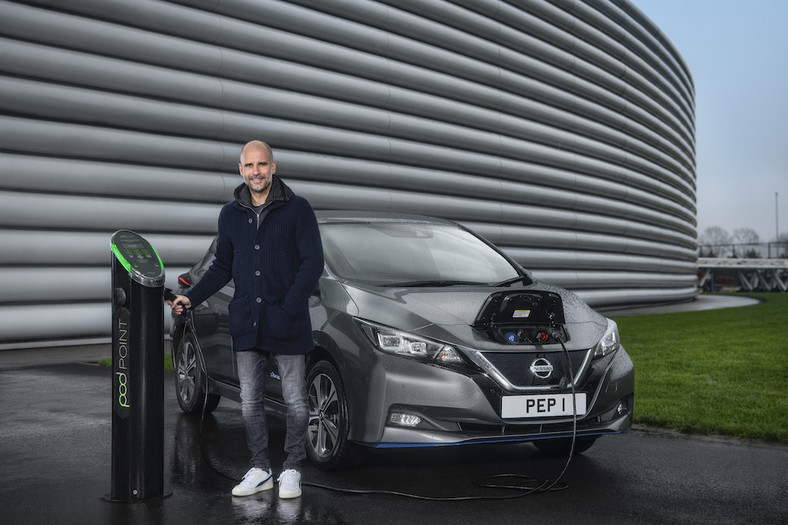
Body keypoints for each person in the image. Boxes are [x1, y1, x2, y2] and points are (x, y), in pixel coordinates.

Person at [168, 140, 324, 499]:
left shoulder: (297, 209)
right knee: (251, 400)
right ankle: (259, 468)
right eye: (249, 165)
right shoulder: (230, 214)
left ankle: (292, 469)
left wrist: (290, 309)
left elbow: (312, 262)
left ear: (273, 167)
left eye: (262, 164)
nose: (255, 171)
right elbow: (222, 266)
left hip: (287, 321)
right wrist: (190, 297)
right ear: (240, 170)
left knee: (296, 400)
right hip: (247, 322)